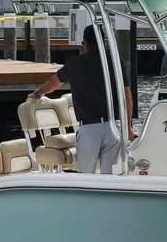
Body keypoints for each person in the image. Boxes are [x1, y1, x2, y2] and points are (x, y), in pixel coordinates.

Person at [28, 24, 134, 174]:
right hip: (113, 127)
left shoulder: (75, 63)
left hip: (89, 128)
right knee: (110, 176)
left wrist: (38, 93)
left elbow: (53, 82)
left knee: (85, 177)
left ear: (85, 43)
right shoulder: (115, 62)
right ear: (104, 42)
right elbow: (127, 96)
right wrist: (127, 126)